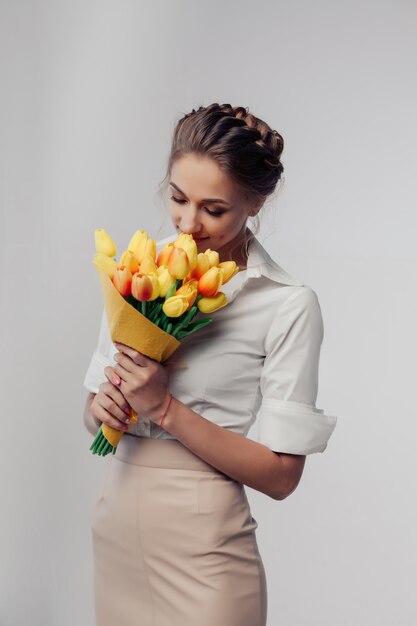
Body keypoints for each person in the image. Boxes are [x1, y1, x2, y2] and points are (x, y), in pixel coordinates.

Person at [82, 102, 337, 626]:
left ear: (253, 203)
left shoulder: (287, 303)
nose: (188, 223)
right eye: (178, 198)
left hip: (208, 551)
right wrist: (103, 409)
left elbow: (282, 476)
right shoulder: (138, 271)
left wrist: (166, 408)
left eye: (213, 209)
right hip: (117, 529)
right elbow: (91, 411)